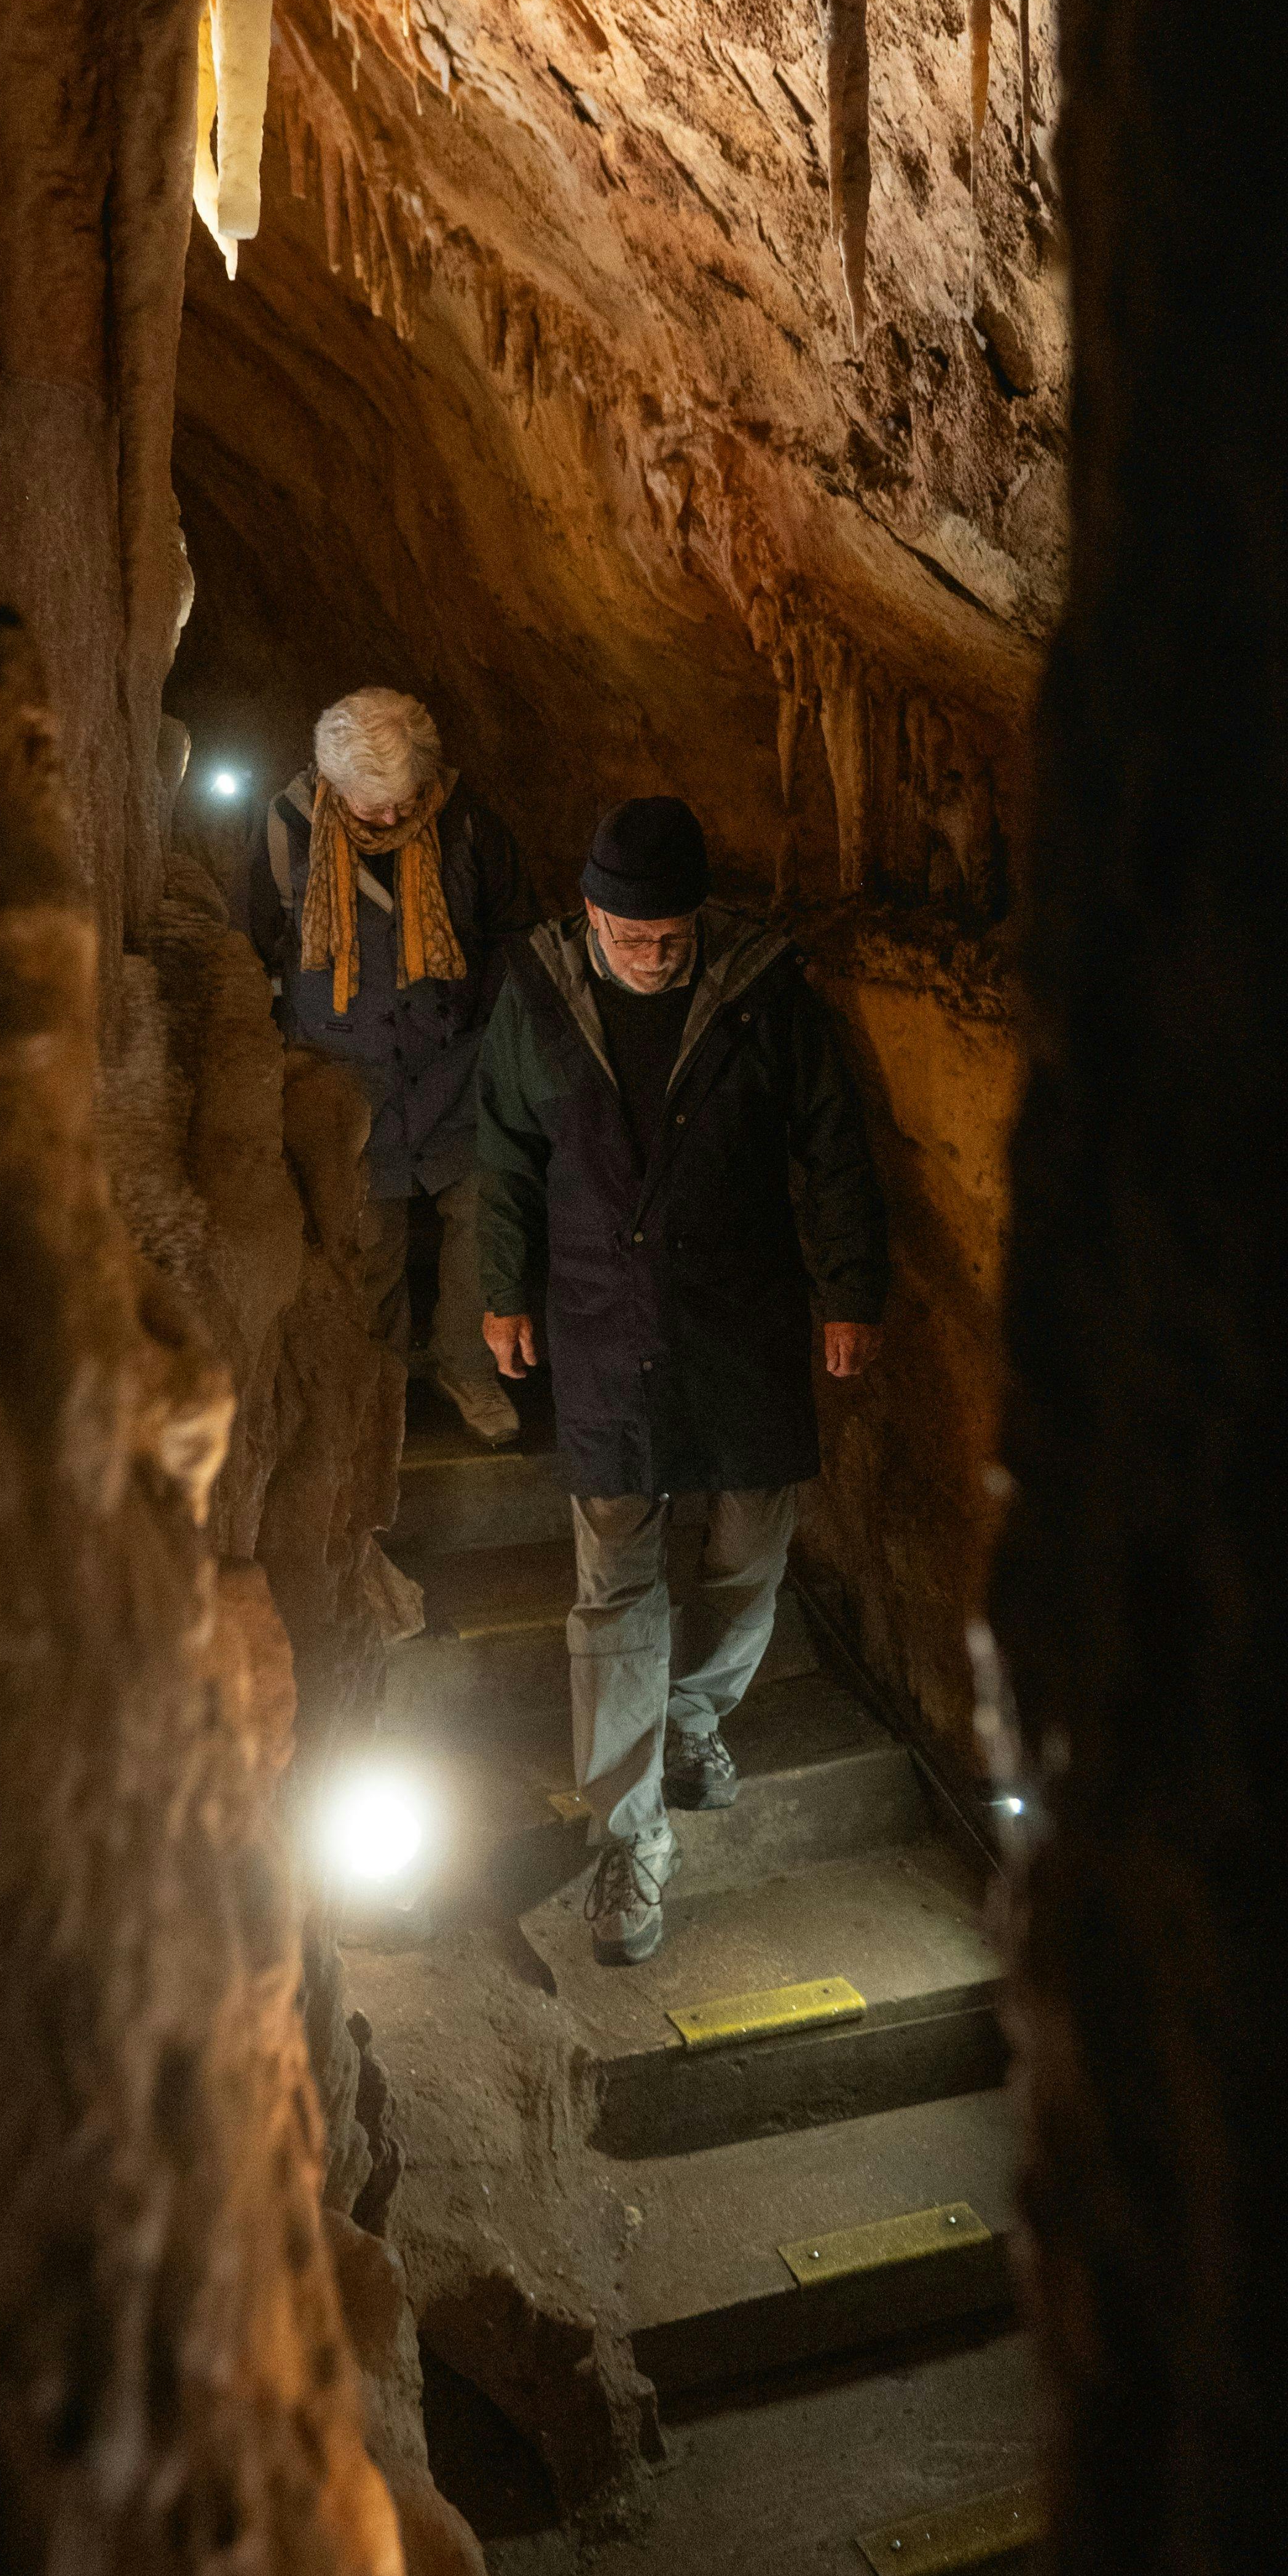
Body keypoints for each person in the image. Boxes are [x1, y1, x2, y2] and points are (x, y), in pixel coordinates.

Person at [476, 795, 889, 1963]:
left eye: (670, 935)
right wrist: (501, 1290)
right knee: (615, 1577)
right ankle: (630, 1837)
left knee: (751, 1543)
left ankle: (695, 1714)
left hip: (740, 1314)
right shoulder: (541, 996)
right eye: (630, 934)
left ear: (698, 918)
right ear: (592, 910)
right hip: (606, 1322)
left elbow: (832, 1141)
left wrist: (852, 1290)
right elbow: (503, 1148)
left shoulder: (762, 993)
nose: (652, 954)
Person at [249, 687, 538, 1444]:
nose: (385, 819)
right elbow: (258, 941)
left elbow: (514, 931)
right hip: (347, 1075)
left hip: (456, 1064)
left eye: (399, 803)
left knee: (479, 1225)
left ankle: (464, 1368)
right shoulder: (288, 828)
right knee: (364, 1241)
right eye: (366, 804)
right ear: (331, 782)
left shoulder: (468, 822)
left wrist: (490, 1026)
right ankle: (372, 1392)